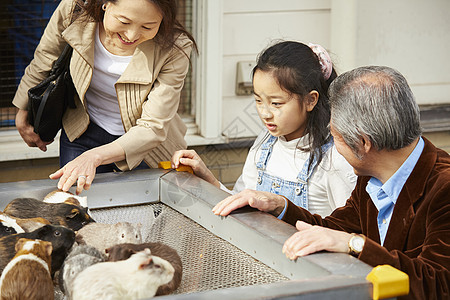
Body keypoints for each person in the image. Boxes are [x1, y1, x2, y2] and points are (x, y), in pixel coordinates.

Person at [214, 66, 450, 299]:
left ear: (363, 143)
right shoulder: (372, 175)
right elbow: (332, 229)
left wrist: (355, 245)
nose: (333, 144)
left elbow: (438, 284)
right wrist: (279, 205)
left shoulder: (444, 187)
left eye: (334, 136)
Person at [12, 0, 197, 195]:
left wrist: (94, 157)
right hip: (82, 131)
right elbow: (45, 57)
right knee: (81, 211)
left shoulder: (176, 47)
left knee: (143, 220)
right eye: (123, 21)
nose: (132, 35)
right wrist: (23, 108)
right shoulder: (75, 10)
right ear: (105, 4)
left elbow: (153, 126)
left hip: (147, 149)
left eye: (147, 26)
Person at [173, 41, 356, 217]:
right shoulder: (265, 142)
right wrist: (207, 177)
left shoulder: (335, 158)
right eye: (258, 100)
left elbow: (350, 230)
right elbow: (241, 205)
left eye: (276, 103)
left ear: (310, 100)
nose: (265, 113)